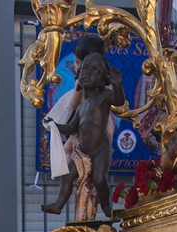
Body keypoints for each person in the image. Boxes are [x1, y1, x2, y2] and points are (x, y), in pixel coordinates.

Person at [49, 50, 123, 221]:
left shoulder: (104, 97)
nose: (88, 73)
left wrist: (118, 85)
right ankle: (59, 204)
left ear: (103, 80)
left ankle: (106, 207)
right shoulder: (82, 107)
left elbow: (119, 101)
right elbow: (71, 127)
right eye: (85, 69)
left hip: (100, 150)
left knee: (99, 178)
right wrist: (55, 126)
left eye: (95, 70)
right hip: (82, 152)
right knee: (68, 176)